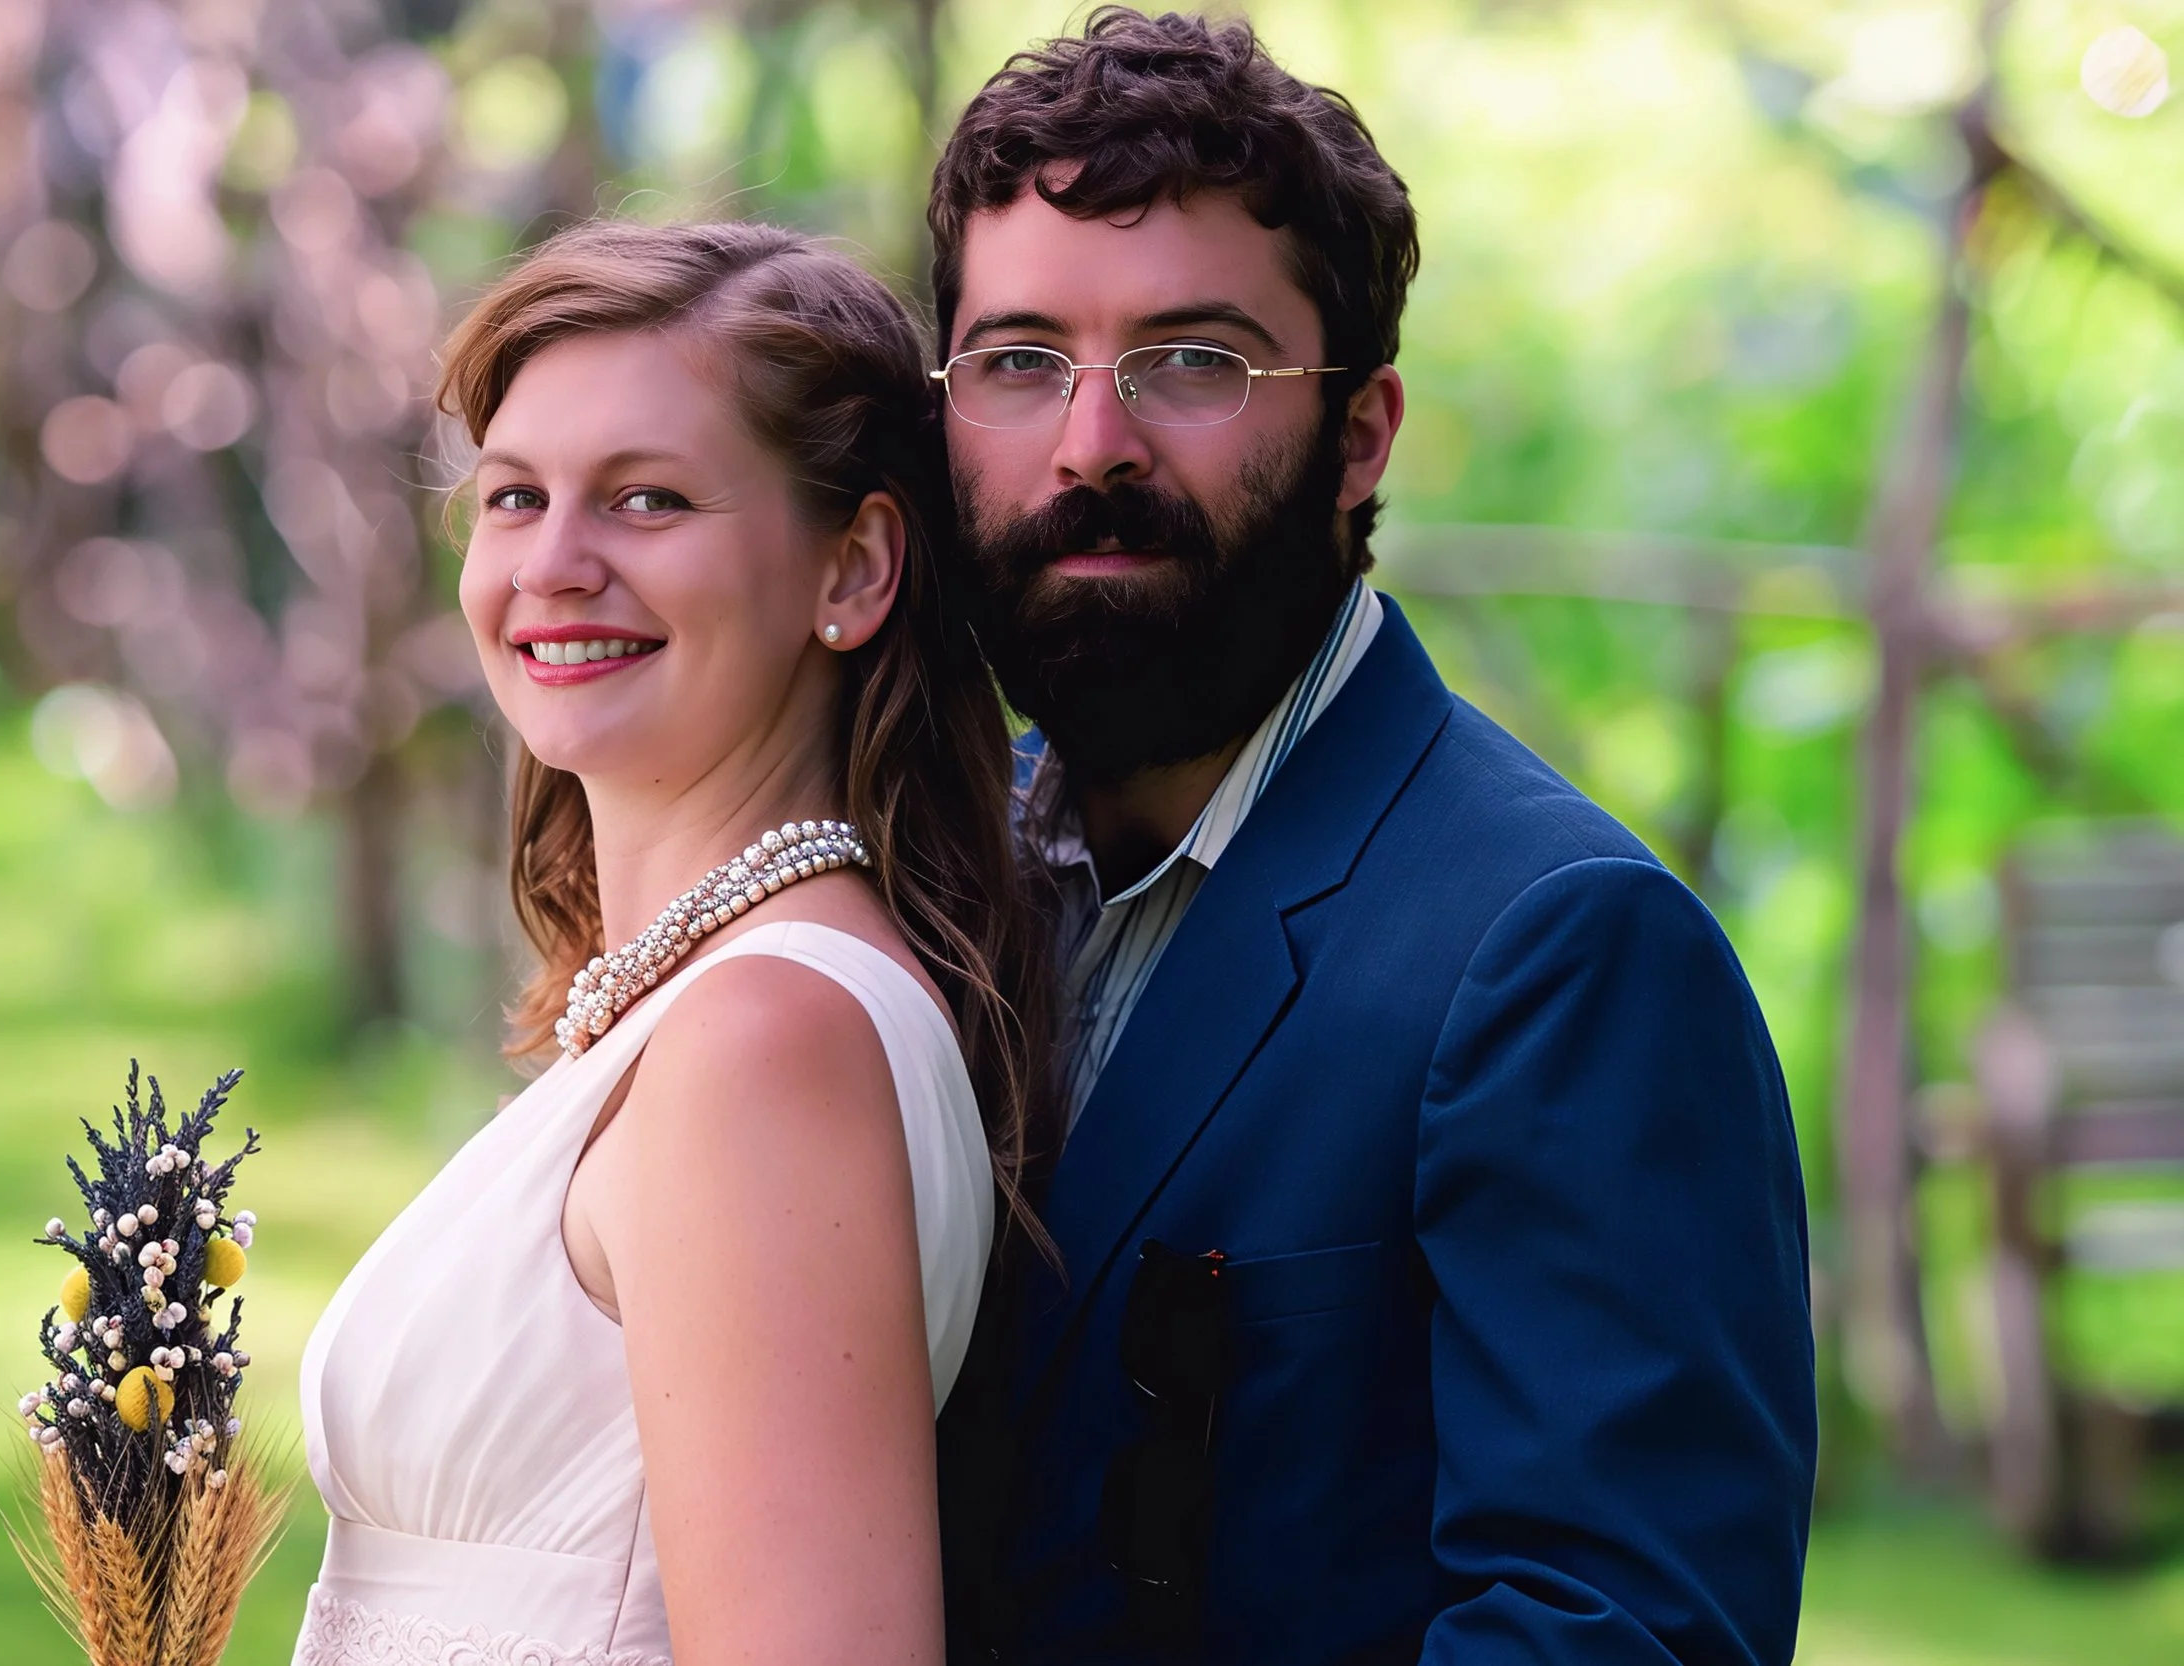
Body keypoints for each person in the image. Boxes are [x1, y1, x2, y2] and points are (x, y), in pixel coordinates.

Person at [926, 12, 1818, 1663]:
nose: (1092, 440)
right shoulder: (925, 893)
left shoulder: (1565, 951)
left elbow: (1617, 1631)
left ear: (1360, 434)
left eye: (1195, 359)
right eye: (1020, 359)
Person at [290, 219, 1059, 1666]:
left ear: (854, 569)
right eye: (515, 496)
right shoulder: (712, 1009)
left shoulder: (764, 1047)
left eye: (646, 500)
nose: (555, 562)